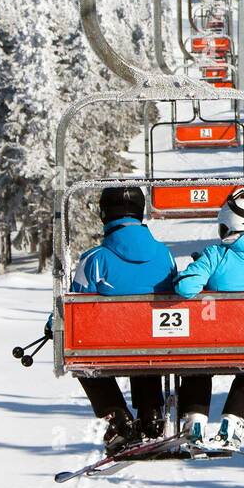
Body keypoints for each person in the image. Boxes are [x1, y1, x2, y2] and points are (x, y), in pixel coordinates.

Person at [65, 186, 178, 452]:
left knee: (81, 355)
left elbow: (75, 304)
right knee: (146, 341)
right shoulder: (164, 254)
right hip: (157, 340)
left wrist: (51, 326)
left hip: (109, 345)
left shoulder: (95, 259)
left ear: (105, 215)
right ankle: (151, 415)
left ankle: (118, 419)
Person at [175, 188, 244, 450]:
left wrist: (196, 268)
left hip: (215, 337)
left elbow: (185, 288)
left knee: (197, 361)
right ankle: (233, 422)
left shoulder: (216, 255)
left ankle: (195, 422)